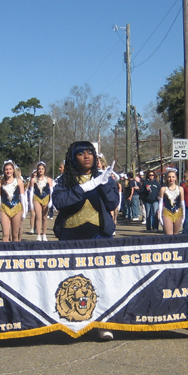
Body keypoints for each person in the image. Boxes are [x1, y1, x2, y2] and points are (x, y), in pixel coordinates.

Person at [52, 141, 119, 341]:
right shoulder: (64, 180)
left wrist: (104, 183)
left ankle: (104, 324)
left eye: (90, 152)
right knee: (71, 282)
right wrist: (85, 187)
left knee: (102, 281)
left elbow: (113, 203)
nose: (87, 156)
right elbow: (59, 202)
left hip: (99, 236)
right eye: (81, 153)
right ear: (74, 158)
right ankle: (72, 323)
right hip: (71, 237)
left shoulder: (104, 177)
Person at [0, 160, 26, 242]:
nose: (8, 171)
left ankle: (15, 252)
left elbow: (22, 197)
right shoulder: (0, 183)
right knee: (5, 234)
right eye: (6, 169)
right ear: (4, 171)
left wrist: (24, 210)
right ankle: (5, 253)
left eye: (10, 169)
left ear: (13, 170)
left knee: (15, 234)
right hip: (4, 208)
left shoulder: (19, 182)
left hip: (16, 208)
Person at [31, 162, 54, 241]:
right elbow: (31, 191)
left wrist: (51, 201)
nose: (40, 170)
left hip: (46, 198)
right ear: (37, 170)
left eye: (42, 169)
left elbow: (51, 191)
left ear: (45, 170)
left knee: (44, 217)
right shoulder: (33, 180)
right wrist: (30, 202)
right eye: (39, 169)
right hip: (36, 198)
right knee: (38, 216)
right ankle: (38, 234)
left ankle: (44, 234)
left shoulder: (48, 179)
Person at [158, 168, 185, 235]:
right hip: (167, 212)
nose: (171, 179)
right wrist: (160, 215)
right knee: (169, 235)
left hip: (178, 212)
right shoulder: (163, 189)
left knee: (176, 235)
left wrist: (184, 215)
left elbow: (182, 203)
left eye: (173, 177)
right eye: (169, 177)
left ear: (176, 178)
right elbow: (161, 203)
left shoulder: (180, 189)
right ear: (167, 178)